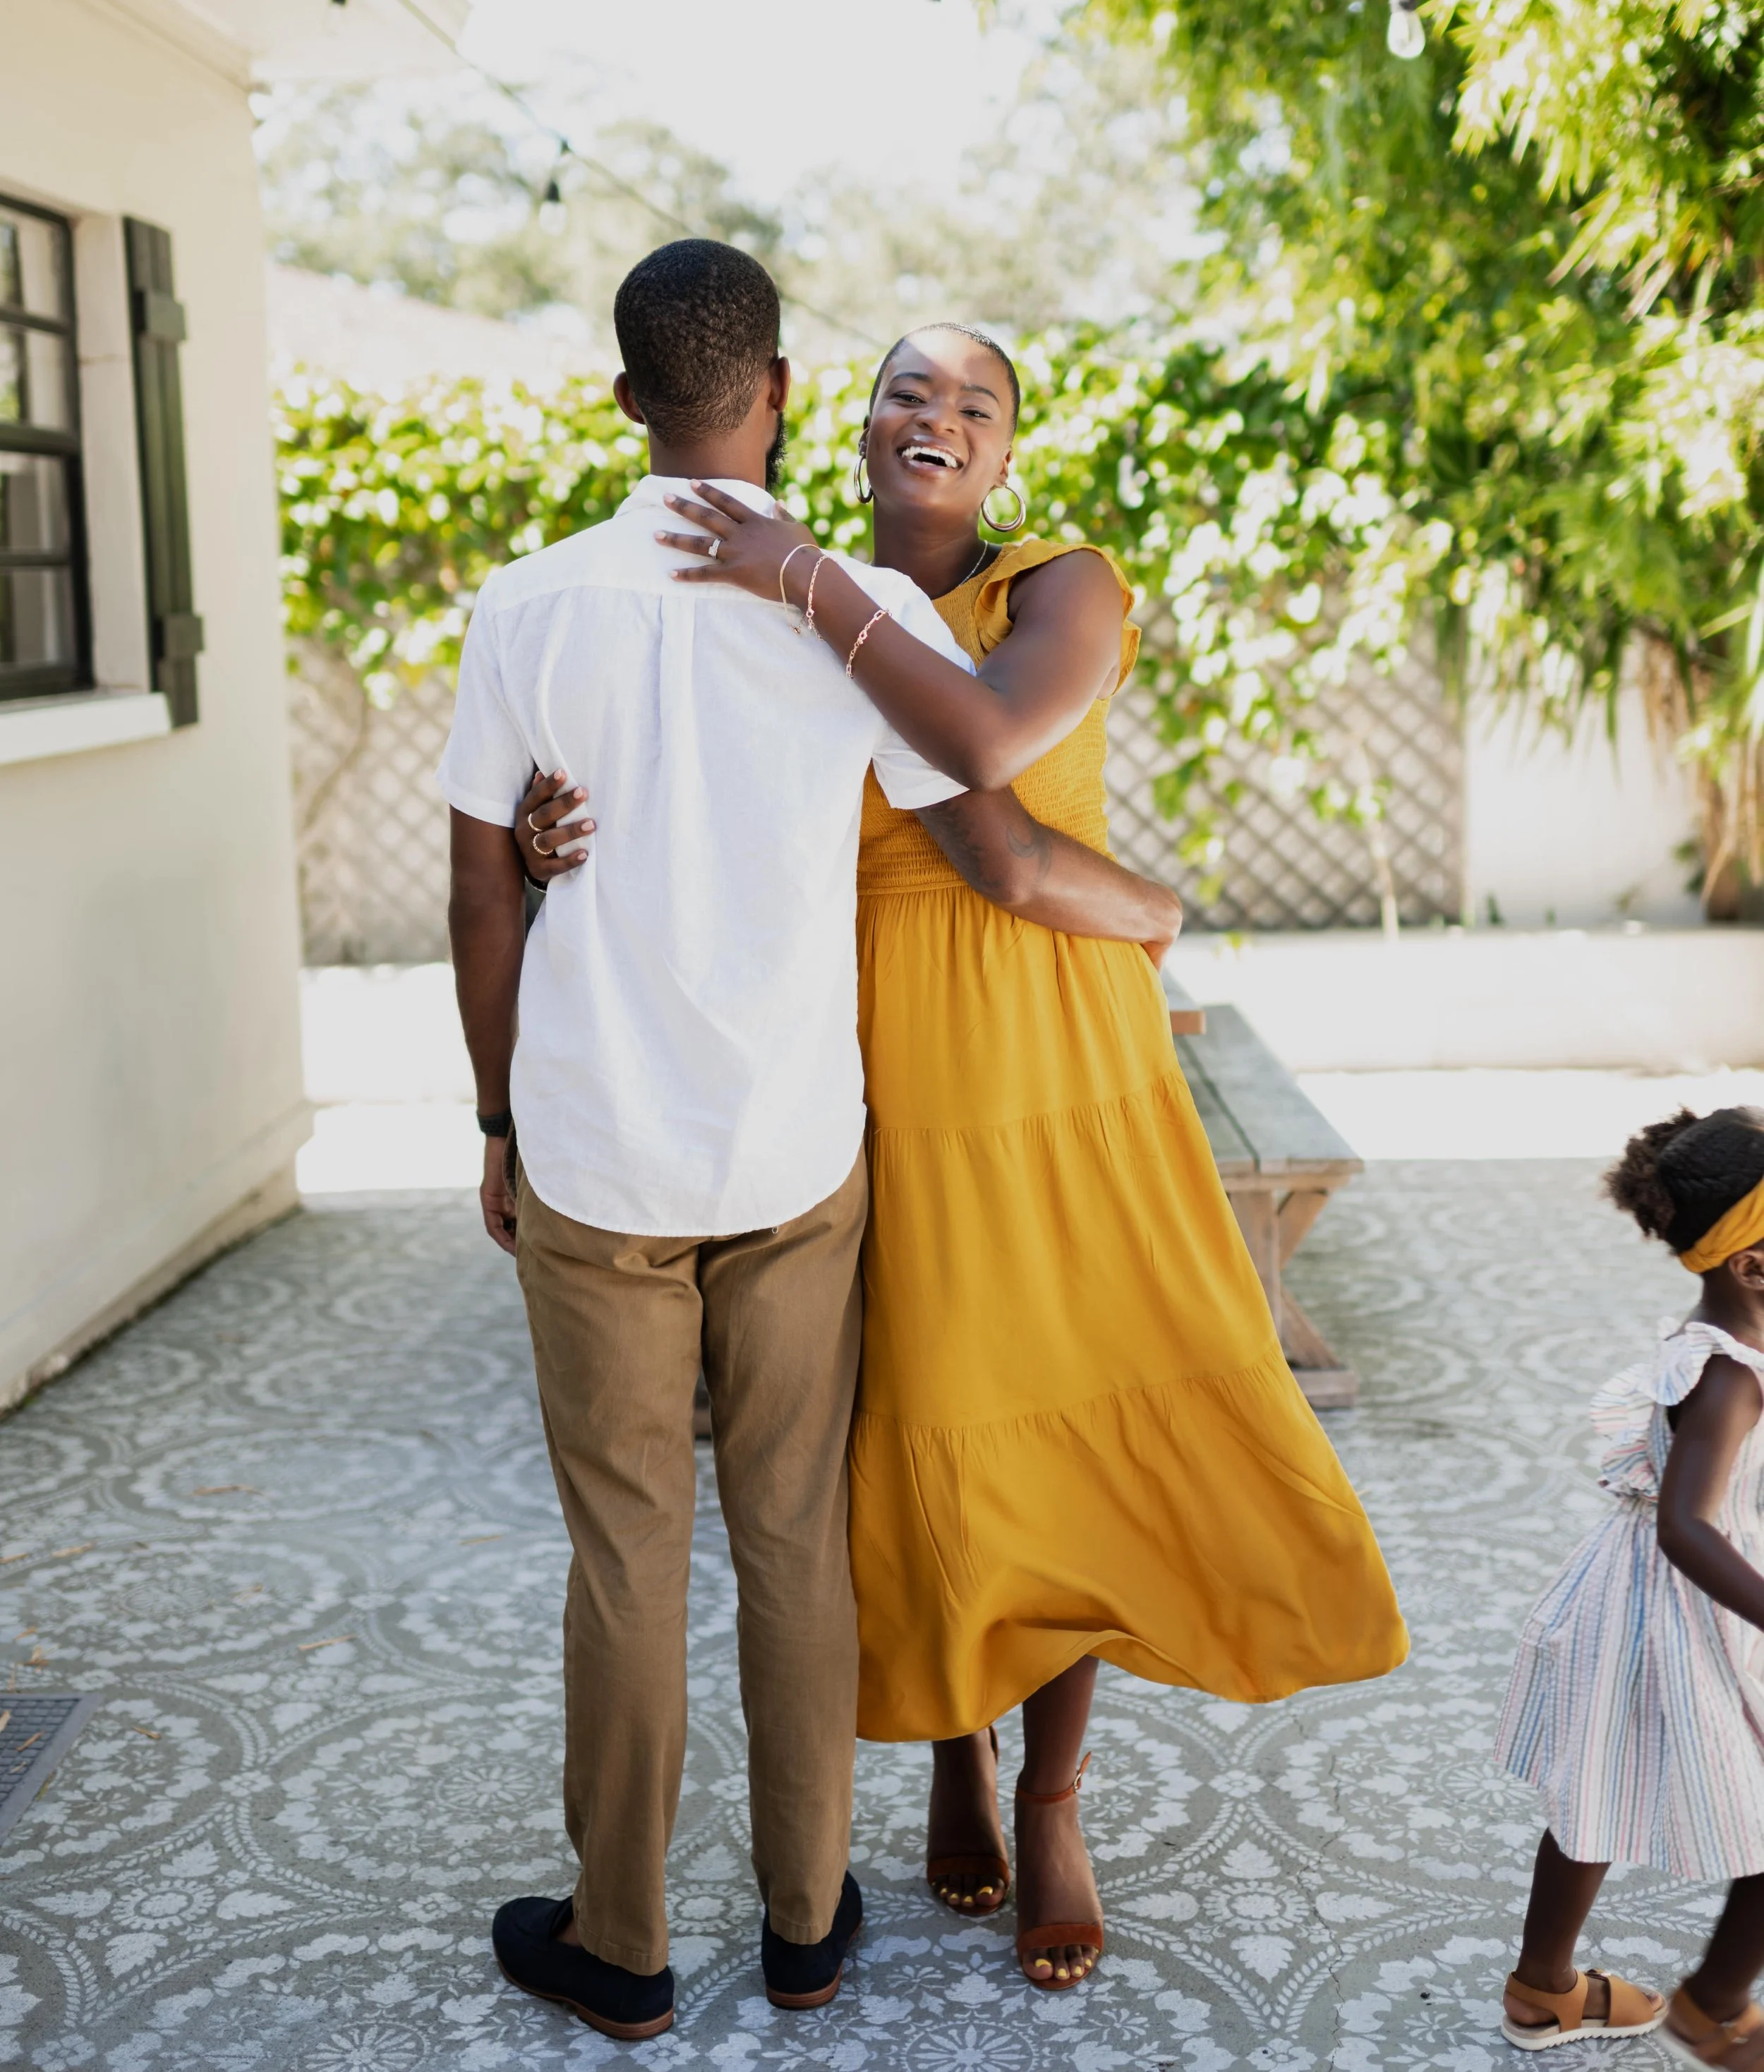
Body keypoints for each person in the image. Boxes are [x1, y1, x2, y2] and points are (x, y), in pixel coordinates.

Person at [520, 318, 1408, 1996]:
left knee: (1071, 1406)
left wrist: (807, 578)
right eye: (907, 392)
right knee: (922, 1419)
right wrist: (539, 831)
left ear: (1006, 451)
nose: (938, 416)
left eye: (976, 404)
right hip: (860, 1052)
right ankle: (953, 1743)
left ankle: (1050, 1798)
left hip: (1053, 1051)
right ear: (846, 423)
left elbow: (990, 765)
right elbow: (697, 799)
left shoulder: (1052, 584)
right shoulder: (781, 593)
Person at [440, 248, 1185, 2042]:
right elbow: (989, 834)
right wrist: (1156, 912)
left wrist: (495, 1116)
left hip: (595, 1149)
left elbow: (476, 899)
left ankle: (620, 1944)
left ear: (626, 398)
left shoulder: (524, 604)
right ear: (780, 391)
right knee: (792, 1531)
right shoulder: (864, 611)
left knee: (627, 1550)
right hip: (790, 1149)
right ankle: (804, 1926)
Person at [1494, 1104, 1764, 2061]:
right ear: (1753, 1266)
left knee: (1595, 1793)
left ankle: (1543, 1988)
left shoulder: (1728, 1340)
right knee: (1597, 1791)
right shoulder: (1731, 1377)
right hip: (1687, 1605)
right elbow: (1689, 1525)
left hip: (1645, 1596)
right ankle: (1714, 2007)